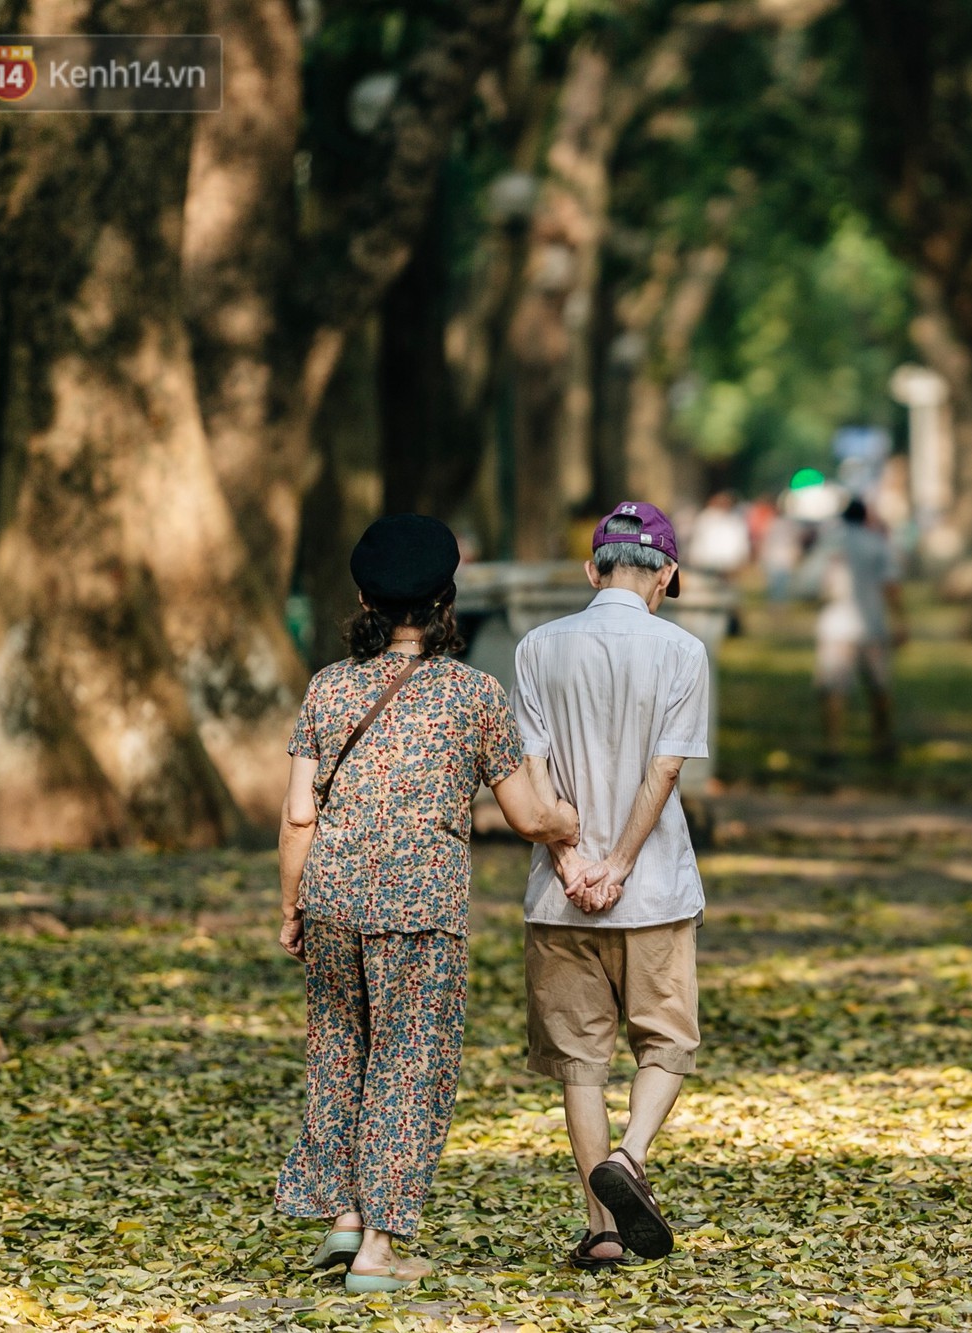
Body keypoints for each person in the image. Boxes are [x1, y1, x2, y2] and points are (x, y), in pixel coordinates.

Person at [276, 515, 580, 1293]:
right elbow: (526, 814)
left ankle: (344, 1213)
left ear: (362, 599)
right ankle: (378, 1249)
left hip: (332, 898)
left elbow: (299, 814)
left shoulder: (327, 687)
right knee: (409, 1063)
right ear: (448, 599)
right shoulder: (474, 695)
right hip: (421, 908)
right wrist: (569, 824)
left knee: (338, 1052)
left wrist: (291, 905)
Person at [511, 501, 712, 1271]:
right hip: (653, 891)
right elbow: (666, 769)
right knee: (666, 1042)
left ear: (592, 570)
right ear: (666, 574)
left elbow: (532, 766)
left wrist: (569, 861)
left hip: (559, 897)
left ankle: (601, 1230)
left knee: (580, 1062)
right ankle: (630, 1156)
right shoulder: (683, 650)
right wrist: (621, 863)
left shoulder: (537, 647)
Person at [809, 497, 905, 765]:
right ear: (865, 518)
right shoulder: (877, 544)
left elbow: (810, 582)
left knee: (833, 690)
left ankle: (833, 747)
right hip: (871, 626)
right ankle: (882, 742)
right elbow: (891, 586)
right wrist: (901, 621)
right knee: (879, 688)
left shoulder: (830, 544)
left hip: (835, 627)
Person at [687, 491, 752, 577]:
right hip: (704, 564)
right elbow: (698, 540)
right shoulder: (705, 518)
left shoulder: (735, 521)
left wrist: (741, 560)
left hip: (728, 567)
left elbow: (741, 543)